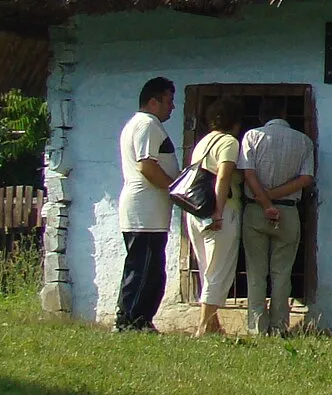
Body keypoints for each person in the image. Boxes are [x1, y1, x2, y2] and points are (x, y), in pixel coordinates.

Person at [239, 114, 314, 336]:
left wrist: (264, 200)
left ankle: (256, 328)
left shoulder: (252, 136)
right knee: (282, 272)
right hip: (288, 210)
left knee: (256, 272)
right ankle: (279, 326)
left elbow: (248, 173)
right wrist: (273, 197)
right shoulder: (303, 141)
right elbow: (306, 178)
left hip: (255, 209)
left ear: (263, 118)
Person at [115, 77, 179, 333]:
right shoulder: (146, 124)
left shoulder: (143, 124)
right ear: (153, 101)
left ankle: (139, 319)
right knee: (143, 268)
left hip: (149, 211)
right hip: (145, 210)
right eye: (169, 101)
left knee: (149, 268)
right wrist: (175, 189)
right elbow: (146, 165)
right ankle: (130, 320)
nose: (172, 107)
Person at [184, 98, 245, 337]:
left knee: (206, 267)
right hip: (220, 210)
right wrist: (219, 211)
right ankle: (203, 326)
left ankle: (213, 325)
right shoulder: (229, 142)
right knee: (218, 269)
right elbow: (223, 177)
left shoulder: (203, 142)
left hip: (195, 211)